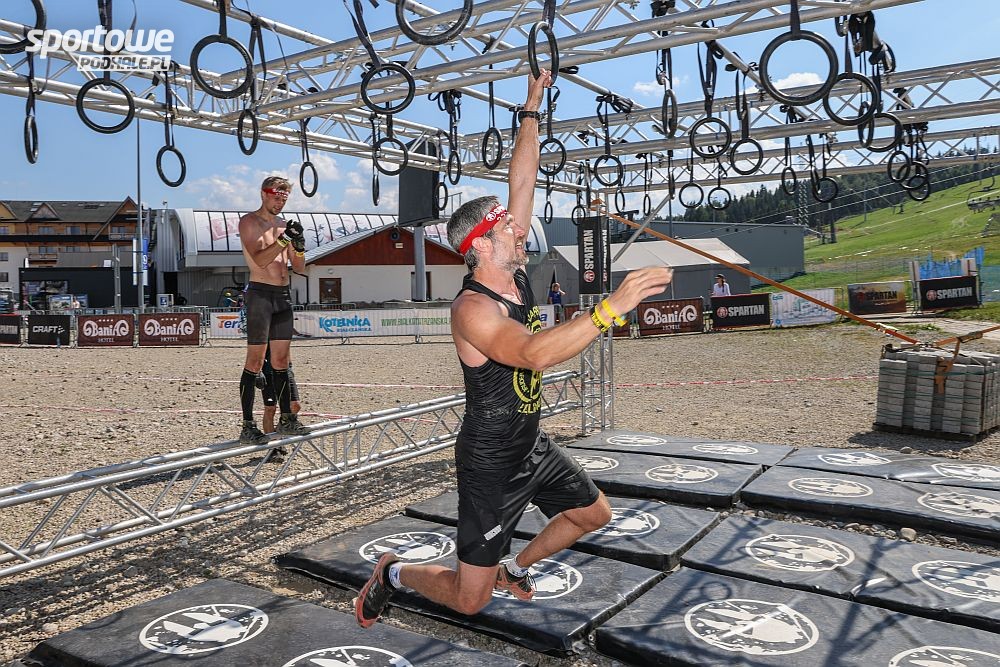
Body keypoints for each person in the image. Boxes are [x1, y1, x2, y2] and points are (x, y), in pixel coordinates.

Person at [355, 70, 673, 628]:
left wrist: (531, 107)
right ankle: (393, 573)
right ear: (480, 245)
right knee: (469, 599)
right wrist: (611, 308)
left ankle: (514, 567)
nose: (520, 229)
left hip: (530, 444)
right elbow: (531, 354)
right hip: (491, 463)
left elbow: (522, 179)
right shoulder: (472, 309)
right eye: (507, 227)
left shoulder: (514, 272)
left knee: (592, 514)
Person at [236, 176, 310, 445]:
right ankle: (247, 425)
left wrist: (298, 246)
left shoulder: (283, 225)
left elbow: (299, 267)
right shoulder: (249, 221)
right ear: (264, 194)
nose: (280, 202)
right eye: (276, 197)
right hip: (260, 294)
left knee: (281, 361)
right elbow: (259, 259)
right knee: (255, 362)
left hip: (283, 295)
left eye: (284, 198)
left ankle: (287, 419)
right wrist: (284, 239)